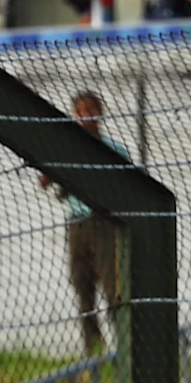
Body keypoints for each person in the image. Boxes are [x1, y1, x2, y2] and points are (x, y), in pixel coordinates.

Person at [57, 89, 126, 356]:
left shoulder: (114, 150)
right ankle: (93, 348)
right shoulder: (67, 148)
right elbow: (44, 181)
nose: (86, 116)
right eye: (81, 111)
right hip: (77, 224)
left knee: (113, 288)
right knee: (82, 287)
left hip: (105, 223)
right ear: (74, 115)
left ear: (101, 112)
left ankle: (123, 346)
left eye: (91, 110)